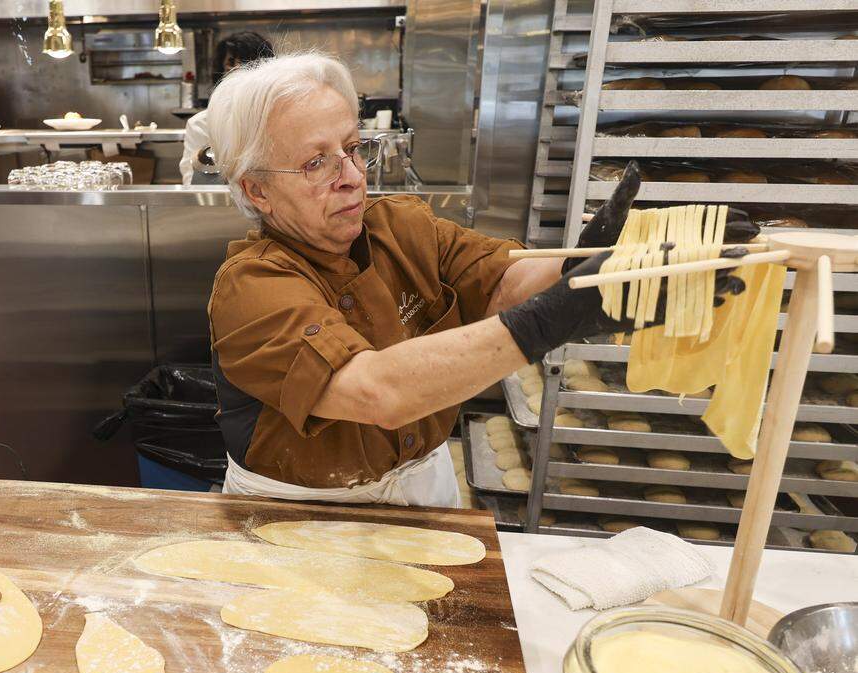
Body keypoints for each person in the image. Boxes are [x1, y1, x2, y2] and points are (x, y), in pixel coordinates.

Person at [205, 53, 757, 508]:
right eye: (315, 164)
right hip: (296, 511)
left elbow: (500, 281)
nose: (351, 178)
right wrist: (556, 315)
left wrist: (577, 265)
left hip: (423, 484)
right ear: (256, 190)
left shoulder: (403, 225)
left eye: (352, 149)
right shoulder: (250, 286)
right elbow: (378, 391)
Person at [180, 32, 274, 185]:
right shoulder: (202, 124)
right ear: (220, 71)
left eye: (247, 63)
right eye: (231, 63)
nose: (238, 70)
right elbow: (194, 182)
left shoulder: (278, 119)